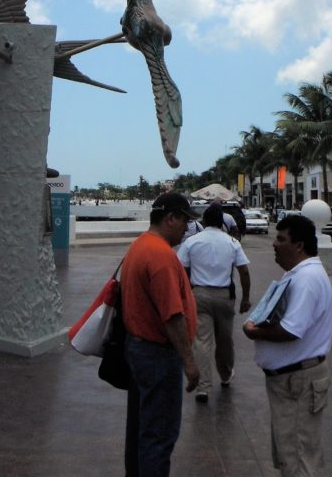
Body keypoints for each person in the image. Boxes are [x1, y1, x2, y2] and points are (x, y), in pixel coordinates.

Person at [243, 213, 332, 476]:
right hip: (291, 381)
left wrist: (254, 331)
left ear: (299, 245)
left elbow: (290, 330)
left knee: (297, 458)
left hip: (297, 382)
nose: (274, 244)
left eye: (281, 239)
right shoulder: (300, 274)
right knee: (290, 454)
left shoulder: (306, 279)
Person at [121, 192, 200, 477]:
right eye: (185, 222)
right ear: (170, 218)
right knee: (159, 435)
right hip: (158, 355)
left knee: (141, 429)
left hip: (139, 350)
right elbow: (172, 315)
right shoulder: (161, 256)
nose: (186, 228)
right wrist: (189, 362)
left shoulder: (140, 246)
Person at [177, 203, 251, 403]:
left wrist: (183, 296)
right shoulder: (232, 242)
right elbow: (243, 271)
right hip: (224, 296)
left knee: (202, 341)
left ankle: (203, 387)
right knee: (225, 340)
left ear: (204, 221)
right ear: (221, 223)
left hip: (199, 295)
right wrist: (245, 298)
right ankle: (226, 375)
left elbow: (182, 270)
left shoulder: (192, 242)